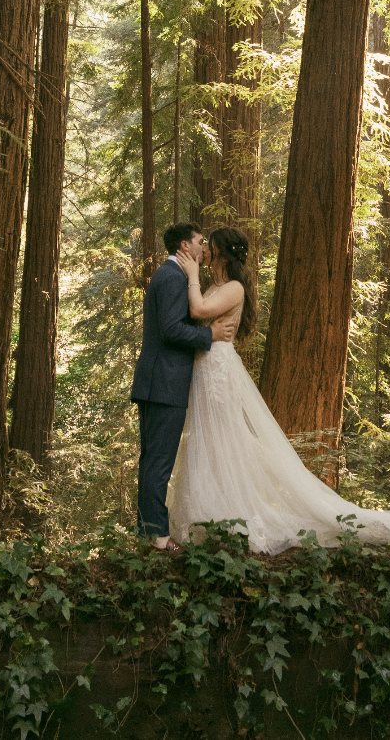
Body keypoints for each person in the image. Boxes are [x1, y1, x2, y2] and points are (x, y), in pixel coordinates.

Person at [166, 224, 390, 555]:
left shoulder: (233, 288)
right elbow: (192, 315)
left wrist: (191, 275)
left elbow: (199, 310)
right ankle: (209, 516)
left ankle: (230, 516)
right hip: (204, 369)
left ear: (223, 253)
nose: (206, 251)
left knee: (220, 441)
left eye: (211, 246)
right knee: (205, 441)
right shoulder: (214, 286)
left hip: (219, 373)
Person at [130, 220, 235, 552]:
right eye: (200, 241)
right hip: (165, 382)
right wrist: (210, 335)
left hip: (157, 381)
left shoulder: (168, 274)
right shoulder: (174, 277)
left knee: (152, 460)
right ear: (184, 247)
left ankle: (148, 532)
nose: (204, 247)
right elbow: (172, 330)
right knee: (158, 460)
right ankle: (158, 538)